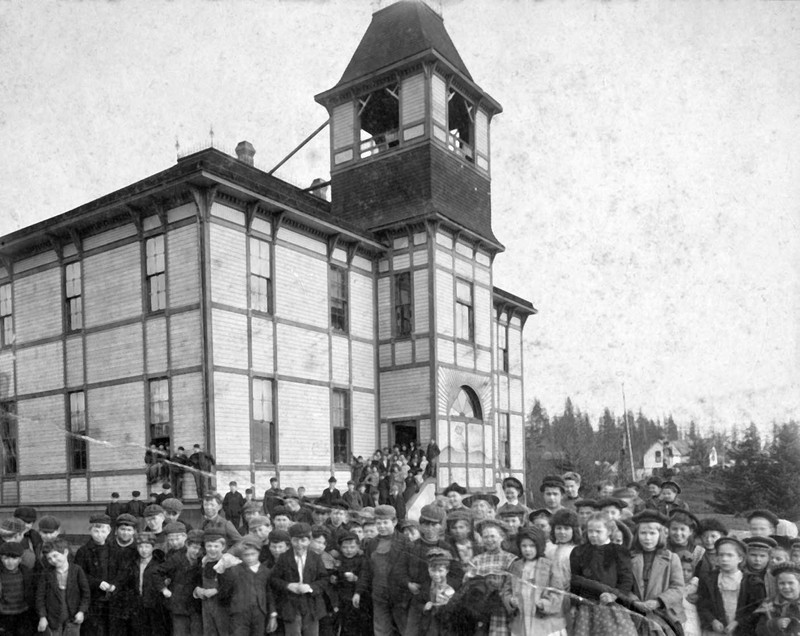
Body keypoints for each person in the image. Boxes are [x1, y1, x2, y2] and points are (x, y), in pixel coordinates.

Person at [570, 511, 638, 636]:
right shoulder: (579, 551)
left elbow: (626, 579)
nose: (593, 535)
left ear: (609, 531)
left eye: (598, 531)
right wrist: (574, 604)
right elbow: (575, 580)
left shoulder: (619, 551)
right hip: (586, 607)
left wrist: (615, 595)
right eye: (590, 531)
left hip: (611, 605)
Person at [353, 504, 413, 635]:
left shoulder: (405, 542)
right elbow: (366, 570)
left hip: (400, 596)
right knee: (381, 630)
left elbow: (410, 569)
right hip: (379, 595)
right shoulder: (372, 543)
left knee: (407, 630)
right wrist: (358, 591)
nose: (381, 526)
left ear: (394, 522)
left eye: (385, 522)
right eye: (378, 523)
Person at [502, 525, 567, 636]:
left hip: (545, 622)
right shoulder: (515, 566)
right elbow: (506, 590)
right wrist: (510, 601)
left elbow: (558, 591)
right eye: (524, 546)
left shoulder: (549, 565)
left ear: (539, 545)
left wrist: (545, 604)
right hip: (522, 620)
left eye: (532, 546)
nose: (527, 549)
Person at [629, 510, 685, 633]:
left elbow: (678, 587)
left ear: (660, 535)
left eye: (652, 533)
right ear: (637, 534)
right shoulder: (629, 558)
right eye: (643, 533)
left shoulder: (671, 558)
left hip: (663, 613)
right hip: (633, 611)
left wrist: (658, 601)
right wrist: (634, 601)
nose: (647, 538)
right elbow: (624, 584)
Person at [697, 535, 766, 635]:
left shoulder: (752, 582)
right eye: (721, 555)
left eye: (730, 555)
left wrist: (738, 622)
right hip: (715, 630)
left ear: (740, 558)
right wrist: (713, 620)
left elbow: (756, 609)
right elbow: (703, 604)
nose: (724, 559)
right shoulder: (709, 580)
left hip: (742, 631)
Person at [270, 522, 328, 636]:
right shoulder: (284, 558)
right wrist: (288, 585)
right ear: (290, 540)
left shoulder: (315, 558)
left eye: (303, 540)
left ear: (309, 540)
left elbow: (324, 579)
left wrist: (310, 587)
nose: (299, 544)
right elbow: (274, 579)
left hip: (311, 605)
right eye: (295, 540)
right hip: (290, 605)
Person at [464, 518, 516, 634]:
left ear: (502, 537)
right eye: (485, 537)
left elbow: (514, 585)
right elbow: (467, 584)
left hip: (502, 608)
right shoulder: (476, 560)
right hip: (481, 608)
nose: (489, 540)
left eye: (493, 536)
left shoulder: (510, 559)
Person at [224, 536, 278, 636]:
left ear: (259, 553)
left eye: (253, 554)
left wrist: (272, 615)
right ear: (241, 556)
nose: (250, 558)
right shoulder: (234, 571)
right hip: (239, 614)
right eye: (246, 555)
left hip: (260, 613)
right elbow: (225, 593)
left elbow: (269, 594)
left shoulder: (265, 571)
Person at [36, 538, 90, 636]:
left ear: (65, 552)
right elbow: (40, 597)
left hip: (73, 618)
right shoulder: (46, 573)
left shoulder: (77, 570)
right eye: (49, 558)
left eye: (55, 556)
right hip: (53, 619)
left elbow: (86, 594)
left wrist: (81, 611)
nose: (53, 560)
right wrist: (42, 617)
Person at [74, 513, 113, 636]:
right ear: (90, 531)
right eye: (96, 531)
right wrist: (97, 583)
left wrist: (114, 584)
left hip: (111, 597)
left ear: (109, 531)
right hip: (92, 598)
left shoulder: (114, 549)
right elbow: (80, 574)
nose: (100, 534)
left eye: (103, 531)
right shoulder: (83, 551)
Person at [158, 528, 203, 636]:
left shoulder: (203, 560)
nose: (197, 552)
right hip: (179, 605)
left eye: (201, 549)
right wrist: (163, 588)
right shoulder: (176, 558)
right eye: (194, 548)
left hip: (197, 606)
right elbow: (157, 572)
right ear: (187, 545)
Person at [193, 529, 229, 635]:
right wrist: (197, 589)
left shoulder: (228, 561)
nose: (212, 549)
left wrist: (216, 590)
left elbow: (233, 584)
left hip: (223, 605)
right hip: (206, 604)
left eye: (216, 546)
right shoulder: (203, 561)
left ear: (223, 547)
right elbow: (197, 579)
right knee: (209, 631)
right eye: (209, 546)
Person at [334, 531, 369, 635]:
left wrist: (356, 583)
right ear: (340, 547)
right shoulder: (338, 560)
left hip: (358, 597)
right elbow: (335, 575)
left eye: (352, 547)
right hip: (341, 598)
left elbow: (365, 578)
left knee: (357, 625)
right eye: (345, 547)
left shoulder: (362, 560)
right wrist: (334, 578)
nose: (349, 550)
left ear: (358, 547)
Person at [0, 541, 35, 635]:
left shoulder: (26, 572)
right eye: (5, 558)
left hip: (22, 614)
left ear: (20, 559)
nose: (10, 562)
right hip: (4, 615)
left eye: (14, 558)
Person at [755, 562, 800, 635]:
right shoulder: (769, 604)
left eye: (790, 583)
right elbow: (759, 629)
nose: (786, 587)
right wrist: (775, 624)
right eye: (782, 583)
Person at [422, 547, 456, 635]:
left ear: (447, 571)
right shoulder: (425, 586)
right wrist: (425, 607)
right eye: (433, 570)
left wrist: (439, 606)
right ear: (428, 569)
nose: (436, 574)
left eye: (440, 571)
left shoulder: (450, 589)